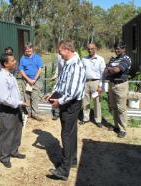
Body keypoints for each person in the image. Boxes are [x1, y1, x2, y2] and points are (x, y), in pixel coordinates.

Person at [48, 40, 86, 181]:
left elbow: (73, 92)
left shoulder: (75, 65)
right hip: (67, 102)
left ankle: (64, 170)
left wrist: (59, 102)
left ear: (67, 49)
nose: (59, 53)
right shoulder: (68, 63)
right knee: (71, 132)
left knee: (66, 135)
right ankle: (73, 161)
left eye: (60, 51)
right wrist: (53, 94)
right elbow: (61, 83)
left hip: (71, 104)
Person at [0, 52, 28, 168]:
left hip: (15, 108)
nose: (15, 62)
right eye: (12, 61)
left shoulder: (10, 74)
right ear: (5, 64)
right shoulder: (2, 78)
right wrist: (20, 102)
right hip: (7, 110)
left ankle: (14, 151)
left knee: (17, 130)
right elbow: (5, 99)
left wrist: (20, 102)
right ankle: (4, 157)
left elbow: (14, 92)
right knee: (7, 133)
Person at [104, 41, 131, 138]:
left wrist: (110, 69)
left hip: (121, 86)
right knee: (114, 107)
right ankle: (116, 126)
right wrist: (110, 69)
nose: (116, 50)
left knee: (121, 108)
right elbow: (106, 69)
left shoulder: (126, 59)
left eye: (118, 48)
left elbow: (117, 70)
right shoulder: (113, 59)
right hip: (112, 85)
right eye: (115, 48)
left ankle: (123, 129)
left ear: (124, 49)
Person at [81, 43, 106, 127]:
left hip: (96, 82)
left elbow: (103, 73)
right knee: (85, 101)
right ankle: (85, 118)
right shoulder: (84, 59)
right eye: (88, 49)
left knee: (97, 102)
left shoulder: (100, 59)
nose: (90, 50)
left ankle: (98, 120)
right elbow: (81, 72)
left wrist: (101, 85)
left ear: (96, 49)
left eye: (92, 48)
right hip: (86, 82)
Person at [19, 42, 43, 121]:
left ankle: (35, 113)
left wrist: (34, 79)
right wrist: (28, 79)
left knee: (35, 97)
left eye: (29, 49)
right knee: (27, 96)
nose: (28, 50)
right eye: (26, 49)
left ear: (32, 49)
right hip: (26, 81)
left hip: (36, 81)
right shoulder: (23, 58)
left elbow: (40, 69)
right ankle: (28, 112)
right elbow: (21, 70)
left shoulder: (37, 57)